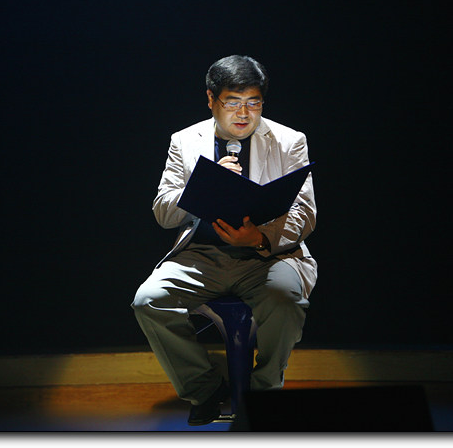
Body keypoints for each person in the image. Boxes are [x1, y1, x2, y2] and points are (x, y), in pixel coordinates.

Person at [131, 54, 318, 426]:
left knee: (285, 298)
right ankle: (204, 388)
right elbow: (163, 213)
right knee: (148, 301)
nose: (244, 114)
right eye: (233, 103)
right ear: (211, 99)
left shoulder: (289, 140)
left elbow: (305, 213)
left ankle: (263, 393)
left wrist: (259, 237)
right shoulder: (185, 140)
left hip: (267, 256)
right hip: (202, 256)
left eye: (253, 103)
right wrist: (203, 186)